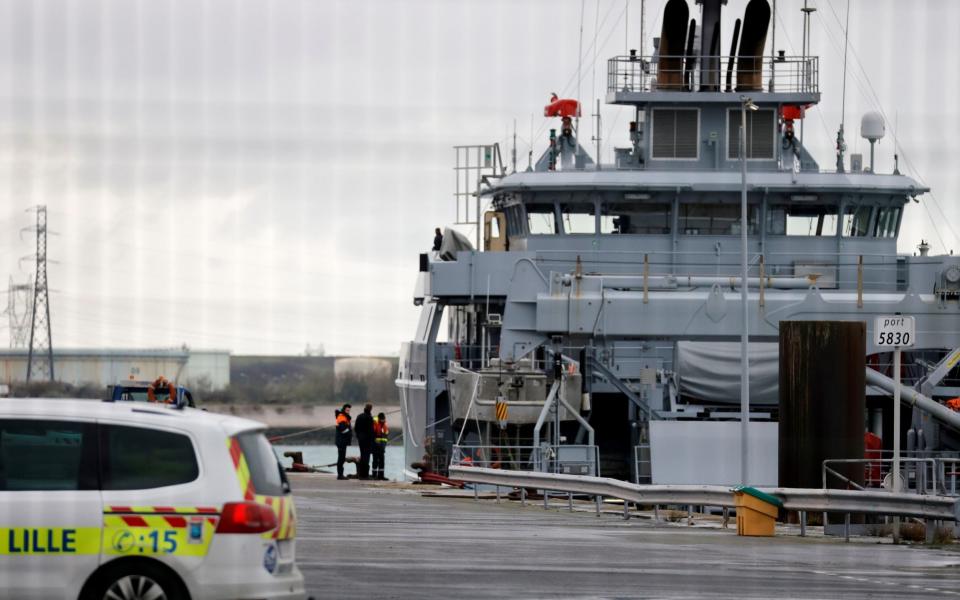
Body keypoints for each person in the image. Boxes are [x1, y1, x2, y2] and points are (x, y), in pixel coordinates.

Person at [355, 403, 375, 480]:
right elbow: (371, 431)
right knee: (366, 457)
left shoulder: (359, 416)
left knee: (362, 455)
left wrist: (358, 436)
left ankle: (361, 474)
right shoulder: (369, 418)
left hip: (361, 439)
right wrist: (372, 440)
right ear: (370, 409)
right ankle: (365, 475)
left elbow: (356, 428)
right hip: (367, 440)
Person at [334, 404, 352, 480]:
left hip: (343, 441)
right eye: (347, 410)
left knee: (342, 457)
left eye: (349, 410)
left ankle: (340, 474)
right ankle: (340, 475)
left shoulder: (344, 417)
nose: (348, 411)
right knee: (341, 458)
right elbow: (343, 429)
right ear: (344, 409)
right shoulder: (341, 417)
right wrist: (350, 431)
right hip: (341, 441)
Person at [372, 412, 389, 480]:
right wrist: (375, 443)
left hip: (382, 446)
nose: (383, 420)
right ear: (379, 419)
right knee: (375, 460)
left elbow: (386, 434)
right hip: (376, 446)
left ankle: (381, 475)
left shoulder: (384, 425)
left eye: (383, 419)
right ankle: (374, 475)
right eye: (382, 419)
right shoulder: (375, 424)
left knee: (382, 461)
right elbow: (372, 434)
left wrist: (384, 444)